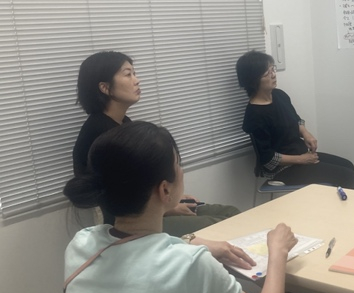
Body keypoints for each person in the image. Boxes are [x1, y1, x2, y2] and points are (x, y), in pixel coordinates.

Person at [63, 121, 301, 293]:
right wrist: (278, 252)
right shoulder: (192, 266)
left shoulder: (80, 245)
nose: (182, 170)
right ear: (165, 190)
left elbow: (137, 253)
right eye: (178, 163)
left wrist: (189, 242)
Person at [72, 51, 239, 237]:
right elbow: (122, 197)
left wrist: (170, 198)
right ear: (105, 87)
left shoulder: (123, 123)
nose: (137, 80)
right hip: (132, 224)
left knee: (231, 213)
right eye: (128, 74)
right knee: (224, 225)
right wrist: (168, 207)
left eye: (134, 73)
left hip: (153, 207)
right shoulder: (102, 133)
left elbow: (144, 178)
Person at [236, 50, 354, 189]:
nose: (273, 75)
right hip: (283, 169)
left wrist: (305, 133)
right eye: (267, 73)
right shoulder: (255, 115)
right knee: (347, 176)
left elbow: (295, 119)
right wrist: (302, 160)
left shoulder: (279, 95)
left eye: (273, 69)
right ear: (253, 80)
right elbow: (267, 159)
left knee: (348, 166)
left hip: (300, 155)